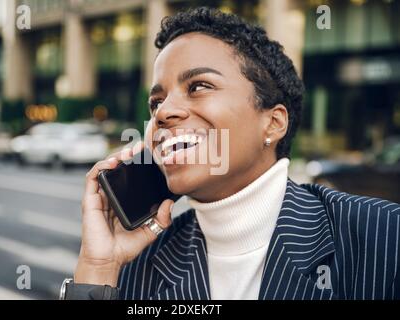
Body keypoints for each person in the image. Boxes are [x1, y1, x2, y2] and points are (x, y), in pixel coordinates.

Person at [61, 7, 400, 300]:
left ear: (273, 123)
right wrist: (98, 268)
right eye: (156, 101)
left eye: (199, 86)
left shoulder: (383, 238)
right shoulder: (137, 266)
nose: (163, 113)